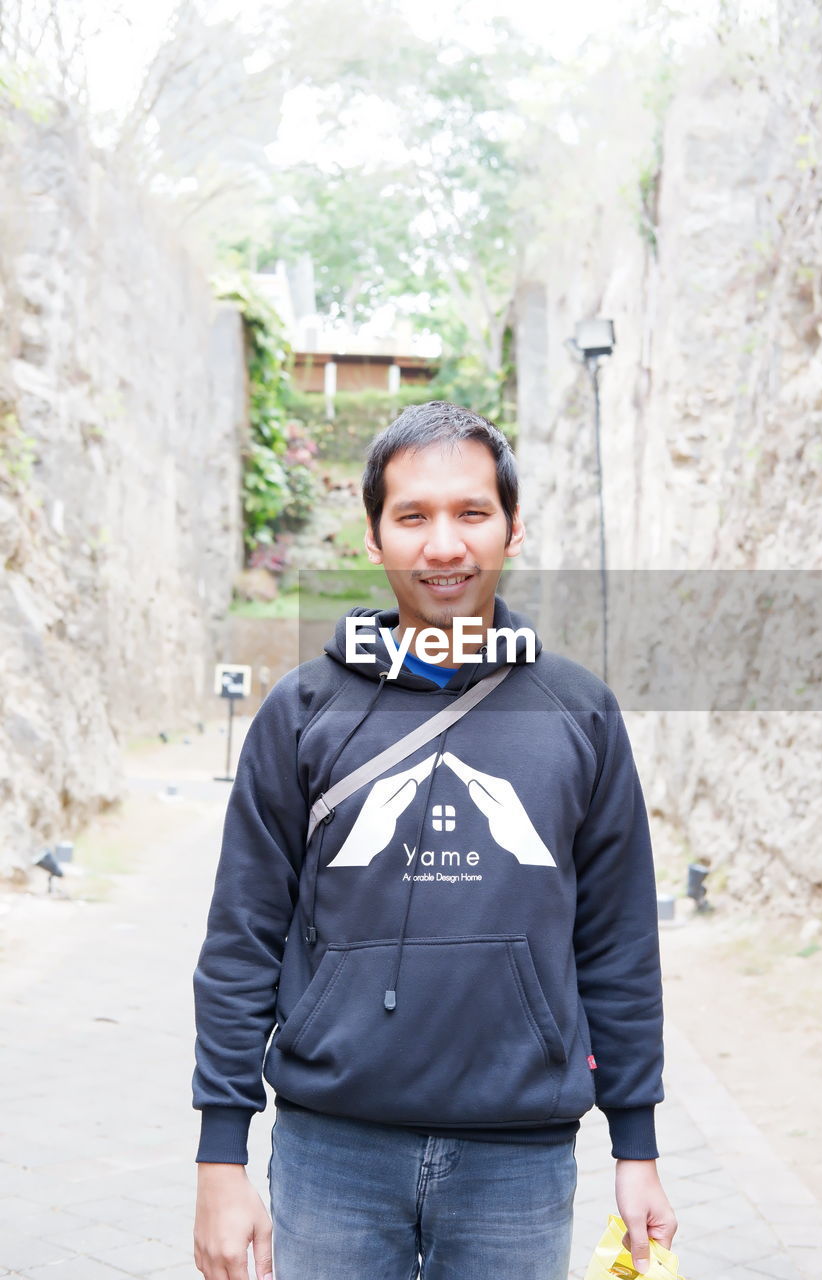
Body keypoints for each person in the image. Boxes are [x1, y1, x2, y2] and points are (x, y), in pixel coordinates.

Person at [192, 401, 677, 1280]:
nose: (443, 545)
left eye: (470, 513)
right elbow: (240, 941)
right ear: (373, 538)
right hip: (330, 1150)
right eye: (412, 516)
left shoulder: (580, 714)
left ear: (512, 527)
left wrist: (634, 1146)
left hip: (518, 1161)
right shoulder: (302, 714)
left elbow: (617, 944)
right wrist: (220, 1162)